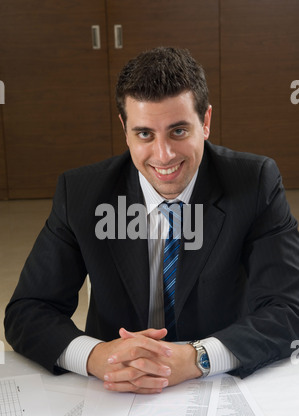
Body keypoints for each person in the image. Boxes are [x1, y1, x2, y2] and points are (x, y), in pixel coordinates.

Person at [5, 47, 299, 394]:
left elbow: (288, 308)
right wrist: (98, 356)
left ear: (205, 122)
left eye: (178, 131)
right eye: (145, 134)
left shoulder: (255, 182)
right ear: (125, 129)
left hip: (218, 381)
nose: (163, 155)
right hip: (115, 388)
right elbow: (27, 311)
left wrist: (197, 358)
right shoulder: (81, 193)